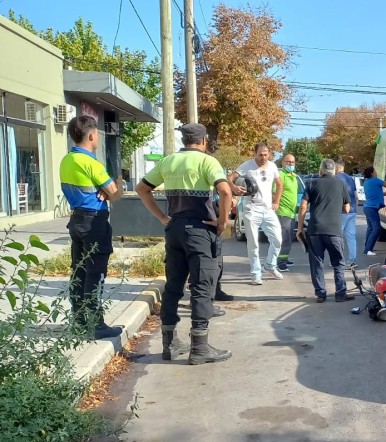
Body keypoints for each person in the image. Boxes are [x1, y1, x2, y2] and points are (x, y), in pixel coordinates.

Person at [135, 123, 233, 364]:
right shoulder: (208, 162)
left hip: (175, 229)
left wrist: (163, 218)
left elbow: (142, 189)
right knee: (202, 286)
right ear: (204, 141)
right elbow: (225, 191)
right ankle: (199, 347)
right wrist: (222, 222)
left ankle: (169, 344)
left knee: (173, 287)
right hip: (201, 229)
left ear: (184, 140)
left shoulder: (168, 161)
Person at [60, 115, 123, 339]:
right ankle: (96, 325)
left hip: (76, 220)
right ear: (91, 135)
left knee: (78, 271)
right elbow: (116, 193)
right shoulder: (91, 163)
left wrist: (104, 189)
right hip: (94, 221)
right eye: (97, 133)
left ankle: (78, 320)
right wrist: (109, 188)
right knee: (95, 273)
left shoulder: (66, 160)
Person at [297, 159, 353, 303]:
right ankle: (340, 293)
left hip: (314, 230)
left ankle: (321, 294)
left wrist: (300, 228)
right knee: (338, 262)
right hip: (334, 230)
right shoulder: (341, 184)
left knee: (317, 263)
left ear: (320, 171)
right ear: (334, 171)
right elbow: (347, 209)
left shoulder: (311, 183)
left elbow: (303, 207)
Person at [229, 143, 283, 285]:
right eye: (260, 155)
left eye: (266, 154)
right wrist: (234, 188)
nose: (263, 157)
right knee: (253, 243)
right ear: (255, 154)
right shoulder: (247, 166)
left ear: (269, 154)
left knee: (277, 239)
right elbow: (230, 178)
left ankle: (270, 265)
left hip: (268, 209)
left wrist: (276, 201)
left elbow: (279, 184)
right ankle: (255, 273)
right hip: (251, 209)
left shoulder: (272, 166)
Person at [275, 153, 301, 271]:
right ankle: (280, 263)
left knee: (289, 237)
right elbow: (274, 193)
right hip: (282, 211)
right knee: (284, 237)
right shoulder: (280, 175)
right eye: (288, 162)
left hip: (291, 212)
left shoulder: (294, 176)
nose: (290, 164)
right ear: (283, 163)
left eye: (292, 162)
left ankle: (284, 258)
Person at [362, 166, 386, 256]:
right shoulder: (375, 180)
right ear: (372, 173)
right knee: (377, 228)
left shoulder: (367, 182)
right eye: (375, 171)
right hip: (372, 208)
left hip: (367, 207)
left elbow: (378, 194)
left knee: (370, 228)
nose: (376, 172)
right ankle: (368, 250)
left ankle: (367, 248)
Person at [335, 158, 358, 267]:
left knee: (337, 236)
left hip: (340, 211)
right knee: (351, 237)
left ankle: (337, 259)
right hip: (352, 211)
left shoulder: (336, 178)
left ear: (336, 167)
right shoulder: (350, 179)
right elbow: (356, 195)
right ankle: (352, 260)